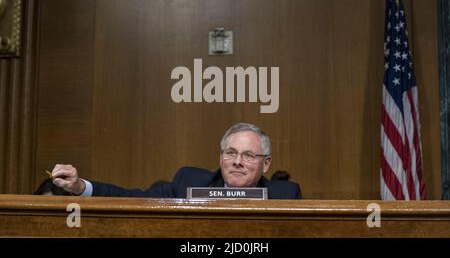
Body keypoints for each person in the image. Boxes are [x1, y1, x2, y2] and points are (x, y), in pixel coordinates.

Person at [50, 123, 301, 199]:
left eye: (248, 155)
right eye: (230, 153)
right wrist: (80, 187)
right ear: (220, 157)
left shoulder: (286, 195)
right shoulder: (188, 182)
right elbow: (133, 200)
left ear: (266, 163)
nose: (237, 161)